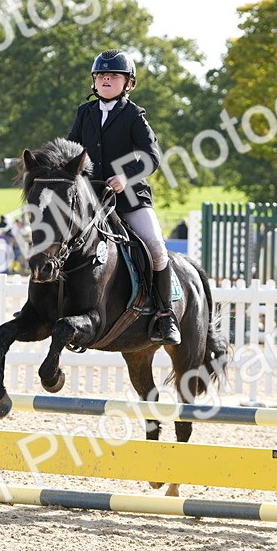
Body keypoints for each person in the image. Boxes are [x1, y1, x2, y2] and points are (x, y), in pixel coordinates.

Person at [66, 48, 179, 344]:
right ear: (94, 81)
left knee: (155, 247)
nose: (106, 79)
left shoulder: (133, 115)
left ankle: (165, 315)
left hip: (129, 198)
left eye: (113, 75)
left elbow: (152, 156)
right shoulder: (85, 112)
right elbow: (72, 150)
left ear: (128, 83)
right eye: (101, 75)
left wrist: (125, 176)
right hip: (91, 200)